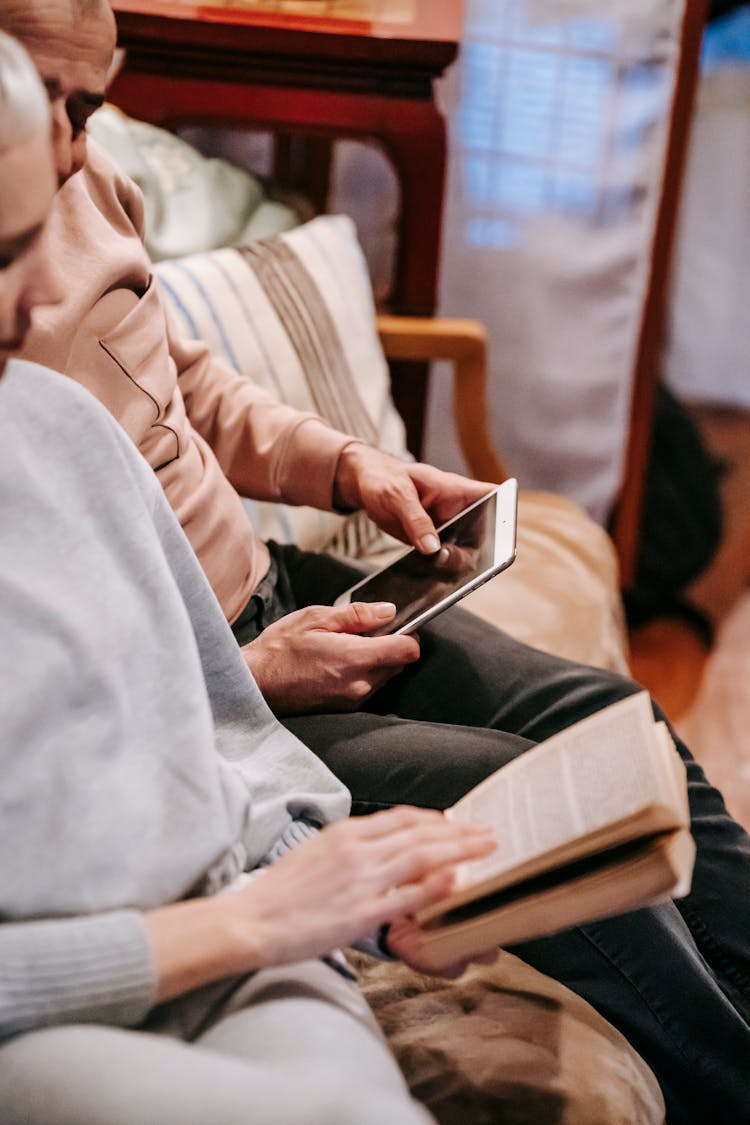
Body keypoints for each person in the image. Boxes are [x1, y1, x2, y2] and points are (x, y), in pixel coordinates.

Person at [3, 2, 750, 1121]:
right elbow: (81, 715)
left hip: (272, 592)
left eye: (88, 105)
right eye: (52, 105)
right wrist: (246, 674)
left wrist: (350, 469)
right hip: (220, 684)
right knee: (533, 817)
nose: (74, 149)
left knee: (615, 723)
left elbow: (178, 370)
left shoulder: (72, 180)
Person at [0, 29, 504, 1124]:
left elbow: (221, 735)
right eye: (3, 253)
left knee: (601, 738)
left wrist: (344, 887)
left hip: (226, 900)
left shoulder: (50, 422)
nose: (45, 298)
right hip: (82, 988)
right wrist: (257, 920)